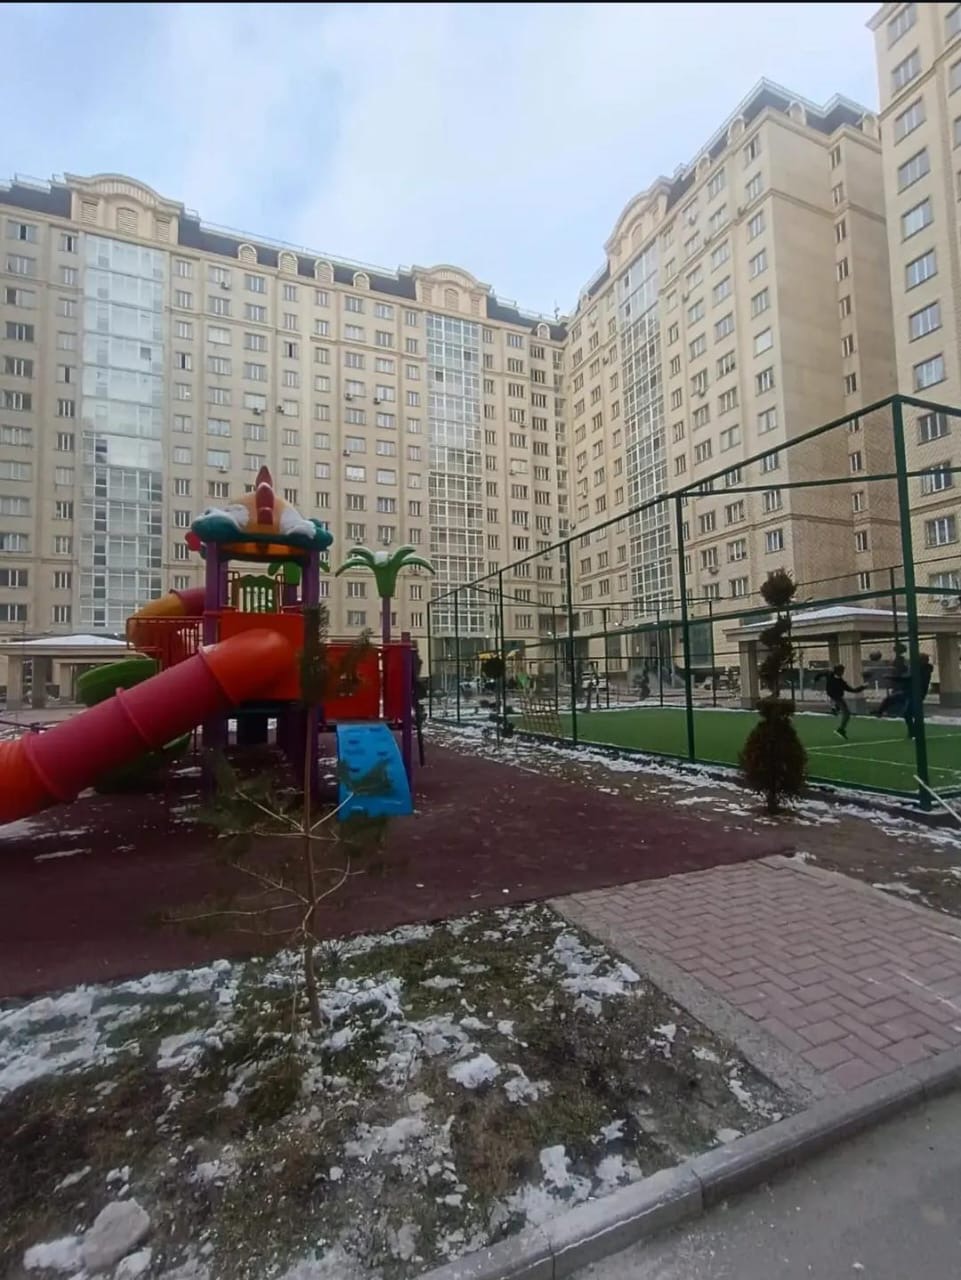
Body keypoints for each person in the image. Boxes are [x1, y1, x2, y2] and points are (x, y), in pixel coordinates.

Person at [815, 664, 865, 739]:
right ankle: (840, 729)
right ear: (837, 671)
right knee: (847, 714)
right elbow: (820, 674)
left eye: (843, 671)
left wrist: (862, 687)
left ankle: (835, 708)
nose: (843, 673)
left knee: (840, 705)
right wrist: (816, 679)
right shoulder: (829, 674)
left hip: (838, 696)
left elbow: (853, 690)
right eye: (841, 671)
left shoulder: (841, 682)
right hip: (835, 696)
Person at [904, 653, 934, 740]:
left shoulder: (925, 669)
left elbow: (921, 682)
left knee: (912, 713)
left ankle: (915, 732)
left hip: (918, 693)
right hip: (913, 693)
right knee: (909, 713)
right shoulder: (918, 668)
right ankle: (913, 731)